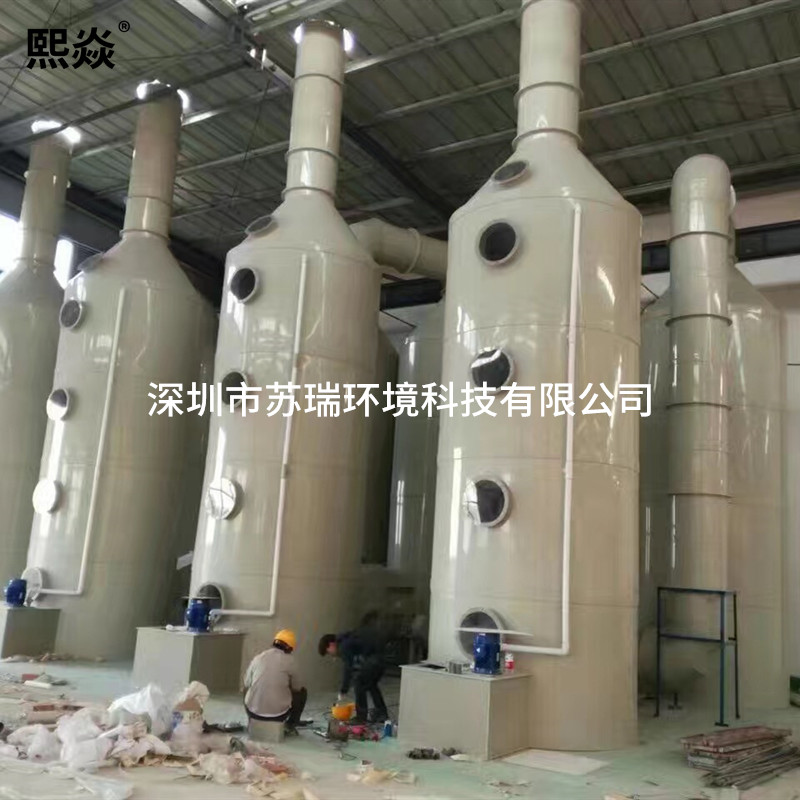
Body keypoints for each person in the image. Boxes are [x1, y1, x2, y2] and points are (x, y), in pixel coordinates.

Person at [318, 623, 389, 724]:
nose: (332, 655)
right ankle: (381, 713)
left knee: (359, 683)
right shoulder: (345, 639)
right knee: (371, 684)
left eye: (329, 652)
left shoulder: (343, 646)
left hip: (375, 659)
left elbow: (348, 668)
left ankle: (361, 718)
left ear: (331, 644)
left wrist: (343, 690)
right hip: (380, 657)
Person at [243, 629, 306, 733]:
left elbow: (246, 683)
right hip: (278, 716)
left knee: (247, 689)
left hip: (253, 713)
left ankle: (251, 720)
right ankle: (290, 725)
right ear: (289, 648)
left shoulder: (259, 657)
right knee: (302, 693)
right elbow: (297, 688)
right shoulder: (290, 661)